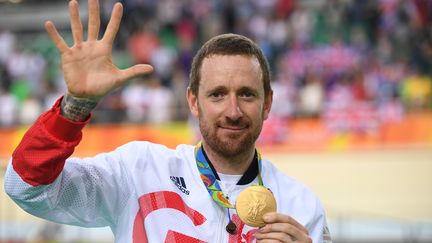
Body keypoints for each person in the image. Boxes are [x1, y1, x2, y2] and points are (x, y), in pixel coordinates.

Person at [4, 0, 332, 242]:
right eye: (217, 94)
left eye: (246, 94)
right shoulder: (138, 170)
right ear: (193, 101)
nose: (233, 110)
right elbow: (26, 187)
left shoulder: (301, 205)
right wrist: (76, 106)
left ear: (268, 103)